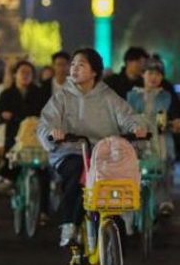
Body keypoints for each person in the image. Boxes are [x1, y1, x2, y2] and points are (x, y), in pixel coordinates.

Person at [37, 48, 147, 248]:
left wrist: (137, 128)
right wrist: (54, 133)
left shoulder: (108, 96)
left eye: (81, 65)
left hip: (103, 153)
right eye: (73, 64)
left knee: (121, 176)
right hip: (70, 151)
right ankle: (69, 222)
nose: (74, 69)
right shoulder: (62, 97)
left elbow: (128, 117)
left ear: (94, 71)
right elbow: (46, 123)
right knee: (81, 168)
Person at [127, 58, 180, 216]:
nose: (154, 77)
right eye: (150, 73)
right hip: (138, 139)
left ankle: (164, 200)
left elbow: (176, 116)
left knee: (164, 166)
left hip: (161, 139)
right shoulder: (132, 96)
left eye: (158, 74)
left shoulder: (167, 96)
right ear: (143, 74)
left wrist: (176, 122)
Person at [0, 61, 45, 156]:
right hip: (12, 134)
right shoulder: (6, 94)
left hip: (33, 134)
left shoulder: (39, 93)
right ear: (15, 74)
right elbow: (1, 113)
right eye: (22, 72)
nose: (25, 75)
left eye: (29, 73)